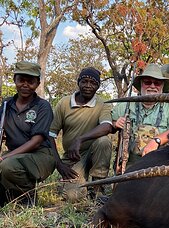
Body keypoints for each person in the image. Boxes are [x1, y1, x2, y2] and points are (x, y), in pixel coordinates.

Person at [49, 67, 113, 202]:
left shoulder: (103, 104)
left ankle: (97, 188)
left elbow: (107, 126)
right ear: (78, 82)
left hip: (94, 152)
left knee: (104, 141)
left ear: (98, 86)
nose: (88, 86)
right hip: (74, 157)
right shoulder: (64, 103)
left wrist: (80, 139)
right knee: (73, 197)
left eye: (93, 83)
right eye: (84, 81)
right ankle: (79, 183)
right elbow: (50, 135)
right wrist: (59, 164)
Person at [0, 61, 56, 206]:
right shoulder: (7, 104)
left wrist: (6, 156)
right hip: (16, 155)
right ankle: (11, 196)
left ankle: (28, 197)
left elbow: (36, 141)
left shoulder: (43, 106)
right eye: (21, 80)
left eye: (30, 81)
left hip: (41, 155)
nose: (25, 85)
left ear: (37, 83)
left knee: (7, 165)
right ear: (14, 80)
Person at [112, 63, 169, 167]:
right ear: (141, 84)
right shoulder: (126, 104)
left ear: (162, 86)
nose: (152, 86)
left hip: (160, 163)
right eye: (147, 82)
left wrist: (157, 141)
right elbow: (110, 122)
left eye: (157, 83)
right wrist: (115, 123)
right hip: (130, 163)